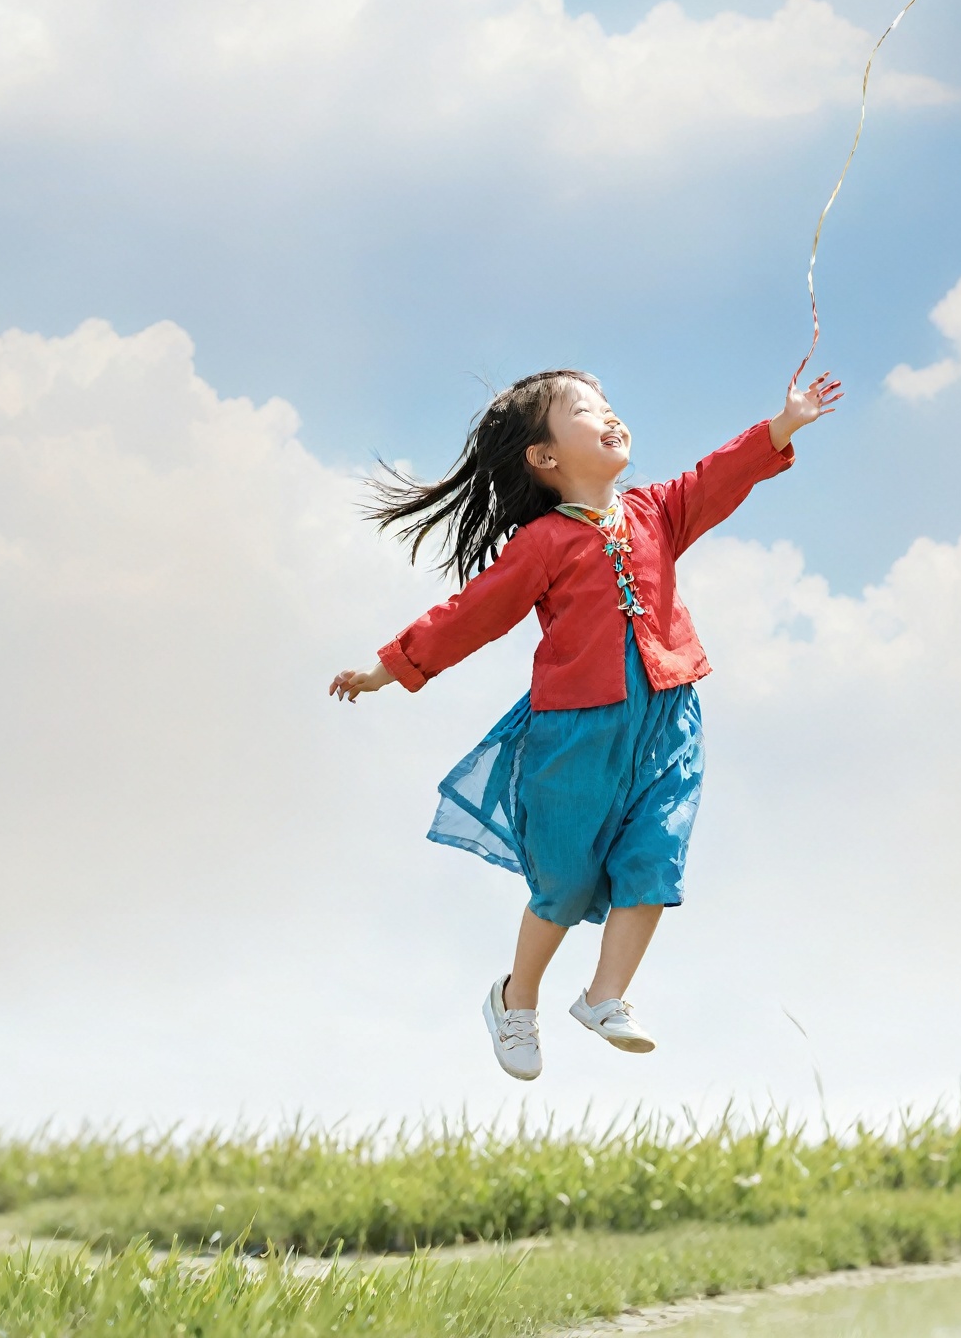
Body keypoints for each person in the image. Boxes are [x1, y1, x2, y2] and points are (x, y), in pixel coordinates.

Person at [329, 366, 841, 1079]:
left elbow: (719, 477)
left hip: (668, 720)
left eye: (610, 406)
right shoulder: (542, 544)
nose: (611, 417)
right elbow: (471, 616)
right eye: (586, 411)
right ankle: (515, 1001)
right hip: (576, 736)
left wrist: (782, 426)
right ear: (544, 457)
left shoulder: (658, 511)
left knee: (655, 862)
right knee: (564, 888)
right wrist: (389, 668)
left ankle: (606, 995)